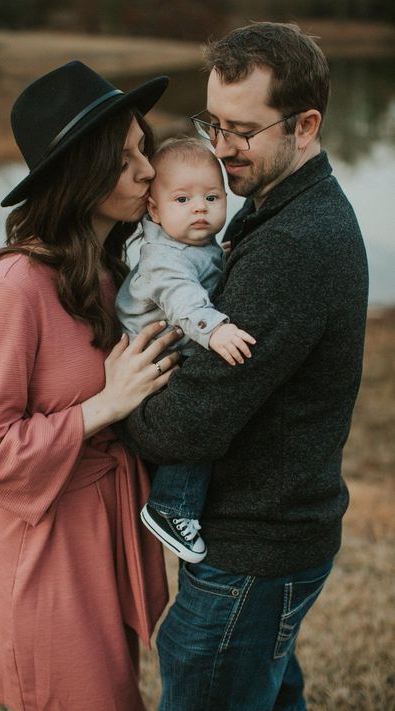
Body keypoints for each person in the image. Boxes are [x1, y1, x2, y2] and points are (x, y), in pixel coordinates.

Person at [117, 22, 369, 710]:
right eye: (213, 123)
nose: (220, 149)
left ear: (306, 125)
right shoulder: (275, 209)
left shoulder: (293, 243)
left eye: (243, 130)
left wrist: (117, 397)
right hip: (273, 539)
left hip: (253, 551)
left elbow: (186, 427)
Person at [0, 60, 182, 711]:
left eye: (145, 147)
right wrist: (103, 405)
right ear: (79, 173)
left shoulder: (111, 272)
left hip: (105, 535)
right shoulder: (17, 286)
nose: (147, 170)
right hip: (45, 550)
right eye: (124, 159)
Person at [116, 137, 256, 563]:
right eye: (182, 198)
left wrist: (223, 256)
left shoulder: (196, 244)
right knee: (195, 423)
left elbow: (203, 270)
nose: (200, 207)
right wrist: (214, 331)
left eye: (212, 197)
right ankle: (170, 507)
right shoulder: (162, 257)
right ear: (154, 211)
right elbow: (181, 297)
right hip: (152, 368)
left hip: (171, 356)